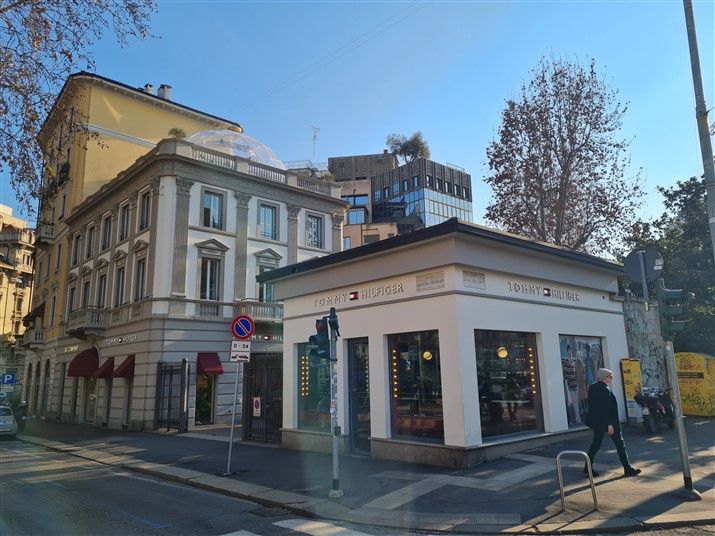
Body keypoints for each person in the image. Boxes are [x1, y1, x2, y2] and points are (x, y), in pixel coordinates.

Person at [584, 368, 641, 477]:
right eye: (610, 376)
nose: (612, 378)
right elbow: (604, 409)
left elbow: (594, 407)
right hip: (609, 423)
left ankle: (587, 467)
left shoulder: (592, 387)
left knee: (596, 444)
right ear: (605, 377)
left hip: (598, 422)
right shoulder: (604, 390)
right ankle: (627, 469)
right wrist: (609, 425)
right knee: (620, 444)